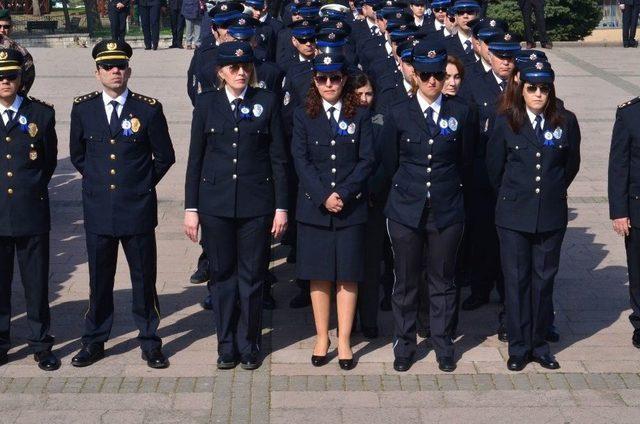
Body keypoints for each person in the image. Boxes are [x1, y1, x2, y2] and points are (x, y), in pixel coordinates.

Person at [69, 40, 175, 369]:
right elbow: (78, 155)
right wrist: (102, 186)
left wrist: (140, 185)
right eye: (108, 66)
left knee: (144, 278)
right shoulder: (83, 108)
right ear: (97, 72)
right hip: (100, 209)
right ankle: (95, 339)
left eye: (121, 66)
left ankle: (149, 340)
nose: (115, 71)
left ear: (129, 69)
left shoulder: (148, 109)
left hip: (137, 209)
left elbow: (165, 156)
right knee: (100, 280)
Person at [184, 42, 289, 370]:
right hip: (215, 205)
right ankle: (226, 343)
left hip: (256, 205)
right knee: (222, 276)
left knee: (253, 276)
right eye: (233, 68)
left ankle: (250, 342)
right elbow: (195, 159)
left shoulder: (266, 102)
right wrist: (191, 208)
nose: (241, 72)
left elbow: (278, 160)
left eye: (246, 67)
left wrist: (281, 207)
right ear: (221, 72)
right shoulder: (206, 104)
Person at [381, 40, 476, 373]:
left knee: (444, 280)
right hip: (406, 209)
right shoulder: (397, 111)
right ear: (414, 75)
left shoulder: (462, 111)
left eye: (438, 74)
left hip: (447, 209)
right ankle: (405, 343)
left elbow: (467, 161)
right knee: (405, 282)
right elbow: (389, 161)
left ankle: (443, 342)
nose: (433, 81)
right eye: (426, 74)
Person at [486, 61, 580, 371]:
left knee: (543, 282)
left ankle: (539, 345)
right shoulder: (504, 122)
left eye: (544, 88)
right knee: (516, 281)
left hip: (550, 215)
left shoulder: (565, 121)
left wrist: (549, 193)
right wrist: (515, 196)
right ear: (520, 88)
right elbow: (494, 170)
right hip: (513, 215)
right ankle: (518, 346)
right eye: (532, 88)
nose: (538, 94)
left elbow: (569, 166)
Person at [291, 53, 374, 370]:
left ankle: (344, 341)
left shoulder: (360, 115)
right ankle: (322, 336)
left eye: (335, 78)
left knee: (348, 276)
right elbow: (301, 160)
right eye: (322, 78)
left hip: (350, 208)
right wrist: (324, 195)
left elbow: (367, 160)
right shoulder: (303, 115)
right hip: (315, 208)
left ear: (344, 80)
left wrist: (344, 192)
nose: (329, 84)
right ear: (314, 80)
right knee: (320, 276)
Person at [0, 48, 60, 371]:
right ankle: (1, 342)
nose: (5, 81)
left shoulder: (41, 115)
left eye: (11, 75)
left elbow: (48, 163)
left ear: (22, 78)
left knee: (36, 283)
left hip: (31, 213)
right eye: (0, 76)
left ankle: (41, 343)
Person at [608, 94, 640, 348]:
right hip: (637, 207)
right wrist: (619, 212)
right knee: (638, 270)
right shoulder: (629, 114)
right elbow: (618, 165)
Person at [0, 10, 35, 96]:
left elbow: (29, 72)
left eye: (6, 27)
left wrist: (18, 95)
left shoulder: (17, 49)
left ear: (11, 28)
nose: (2, 30)